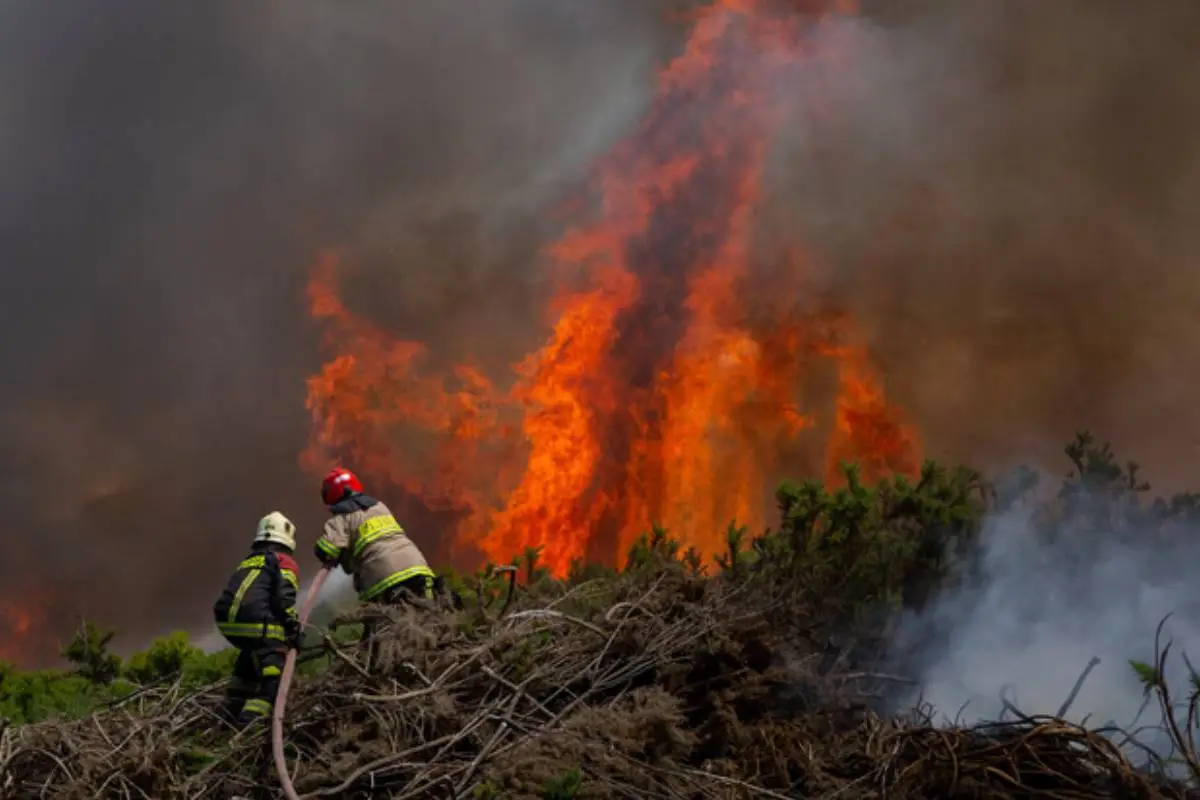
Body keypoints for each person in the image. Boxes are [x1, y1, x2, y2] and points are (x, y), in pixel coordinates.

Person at [212, 511, 303, 726]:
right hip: (254, 622)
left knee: (253, 651)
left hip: (227, 622)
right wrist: (293, 628)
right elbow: (284, 600)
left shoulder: (249, 561)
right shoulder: (285, 562)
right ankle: (251, 721)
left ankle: (231, 706)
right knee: (275, 671)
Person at [313, 467, 440, 606]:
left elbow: (326, 550)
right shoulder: (380, 507)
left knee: (385, 624)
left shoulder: (340, 519)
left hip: (383, 578)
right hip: (418, 566)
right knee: (429, 614)